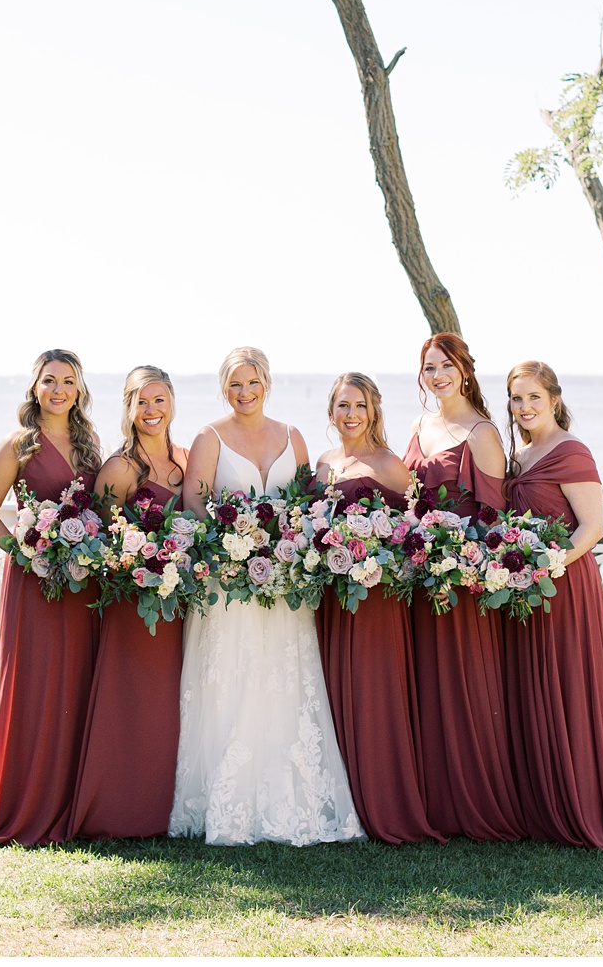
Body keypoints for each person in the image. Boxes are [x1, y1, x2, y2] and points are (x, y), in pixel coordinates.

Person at [168, 346, 363, 845]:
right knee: (230, 682)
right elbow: (194, 501)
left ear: (267, 383)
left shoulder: (292, 435)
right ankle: (224, 803)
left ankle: (290, 800)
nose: (244, 392)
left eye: (252, 382)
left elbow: (307, 503)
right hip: (227, 587)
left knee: (283, 683)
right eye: (234, 383)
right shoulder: (209, 437)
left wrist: (291, 546)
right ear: (223, 388)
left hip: (283, 586)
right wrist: (229, 546)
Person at [504, 361, 603, 850]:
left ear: (553, 397)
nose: (525, 407)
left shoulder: (571, 451)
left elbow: (591, 529)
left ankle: (583, 805)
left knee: (568, 686)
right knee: (533, 689)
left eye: (534, 397)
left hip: (565, 587)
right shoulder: (519, 456)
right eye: (516, 399)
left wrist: (546, 566)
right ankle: (542, 804)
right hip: (526, 590)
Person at [0, 348, 105, 845]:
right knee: (34, 683)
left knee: (75, 682)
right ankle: (22, 805)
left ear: (79, 389)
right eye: (49, 380)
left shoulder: (90, 444)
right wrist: (26, 554)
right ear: (34, 387)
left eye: (68, 381)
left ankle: (70, 804)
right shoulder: (19, 444)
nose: (59, 389)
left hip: (80, 582)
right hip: (34, 582)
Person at [404, 333, 526, 841]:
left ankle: (475, 801)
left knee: (464, 685)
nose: (438, 377)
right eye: (429, 368)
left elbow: (495, 520)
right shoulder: (419, 425)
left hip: (464, 583)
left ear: (465, 371)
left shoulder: (482, 433)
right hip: (417, 576)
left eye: (446, 366)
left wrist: (457, 559)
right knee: (425, 686)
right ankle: (432, 800)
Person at [313, 372, 443, 844]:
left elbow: (415, 533)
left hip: (376, 601)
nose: (351, 415)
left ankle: (386, 803)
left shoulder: (390, 465)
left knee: (374, 693)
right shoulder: (323, 463)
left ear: (374, 412)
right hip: (330, 599)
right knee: (331, 692)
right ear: (331, 411)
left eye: (360, 406)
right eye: (343, 406)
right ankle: (340, 802)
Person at [69, 364, 189, 840]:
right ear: (129, 408)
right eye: (142, 402)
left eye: (159, 400)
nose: (152, 410)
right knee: (131, 699)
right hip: (131, 604)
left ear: (173, 403)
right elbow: (99, 537)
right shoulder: (120, 467)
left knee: (170, 702)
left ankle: (166, 809)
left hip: (178, 600)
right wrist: (138, 560)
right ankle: (120, 809)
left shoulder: (185, 459)